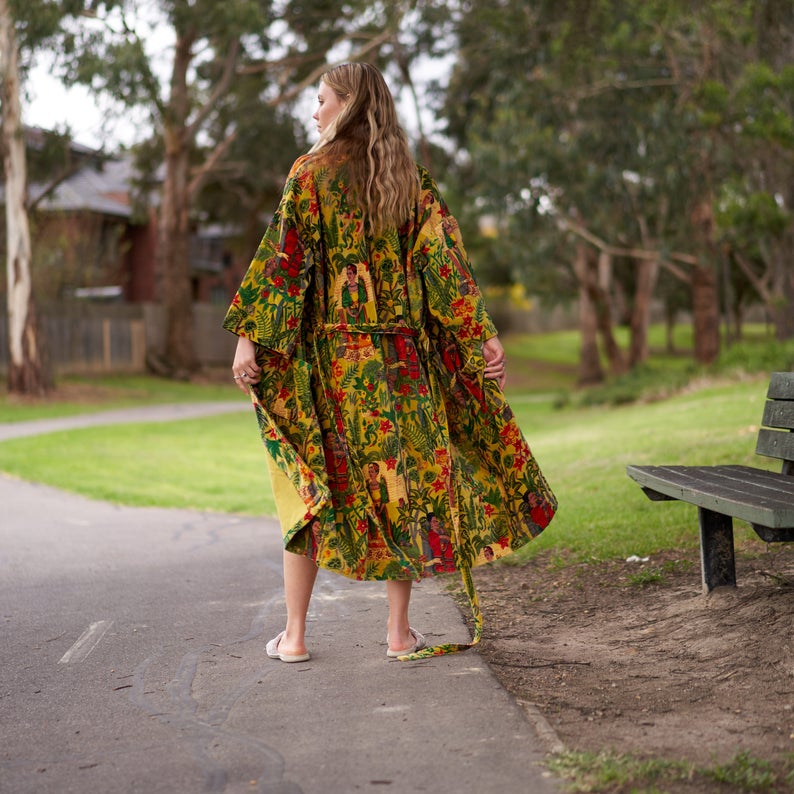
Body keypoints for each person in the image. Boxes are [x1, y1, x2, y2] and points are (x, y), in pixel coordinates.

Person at [224, 62, 556, 662]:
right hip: (403, 370)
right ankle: (399, 635)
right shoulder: (410, 180)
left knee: (313, 486)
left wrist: (250, 340)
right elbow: (445, 264)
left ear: (348, 104)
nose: (315, 112)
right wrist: (480, 335)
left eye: (322, 100)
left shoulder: (309, 175)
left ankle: (295, 638)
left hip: (333, 368)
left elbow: (283, 265)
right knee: (401, 493)